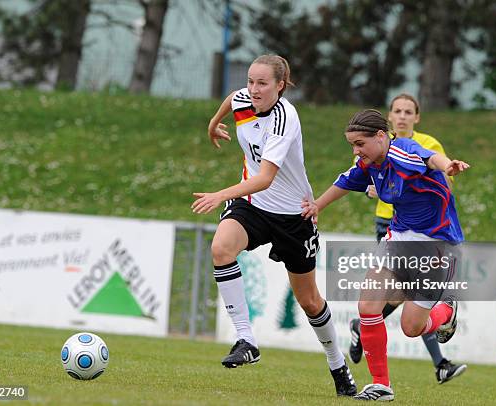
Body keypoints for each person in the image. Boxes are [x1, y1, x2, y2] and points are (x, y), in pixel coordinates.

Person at [192, 54, 357, 397]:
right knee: (221, 247)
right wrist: (213, 122)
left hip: (294, 217)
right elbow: (231, 99)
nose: (253, 89)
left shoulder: (285, 118)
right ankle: (246, 339)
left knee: (310, 301)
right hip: (253, 206)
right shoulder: (244, 99)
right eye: (250, 81)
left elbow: (266, 177)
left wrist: (219, 193)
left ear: (280, 86)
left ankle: (338, 367)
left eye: (262, 83)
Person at [301, 109, 470, 401]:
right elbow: (345, 181)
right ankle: (381, 385)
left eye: (359, 143)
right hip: (400, 237)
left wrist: (448, 166)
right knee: (368, 305)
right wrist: (317, 206)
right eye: (352, 144)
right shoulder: (367, 163)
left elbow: (430, 157)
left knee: (411, 327)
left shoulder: (403, 152)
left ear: (381, 136)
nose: (356, 150)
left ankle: (446, 311)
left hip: (437, 243)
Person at [349, 94, 467, 385]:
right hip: (389, 224)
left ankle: (366, 328)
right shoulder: (366, 142)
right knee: (396, 296)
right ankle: (433, 362)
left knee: (408, 301)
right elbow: (364, 180)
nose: (402, 116)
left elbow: (442, 176)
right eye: (397, 111)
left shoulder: (426, 144)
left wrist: (444, 167)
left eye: (408, 112)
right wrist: (373, 189)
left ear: (417, 117)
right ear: (388, 118)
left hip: (426, 231)